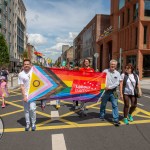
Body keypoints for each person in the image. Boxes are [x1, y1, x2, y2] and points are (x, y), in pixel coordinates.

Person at [99, 59, 121, 126]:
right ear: (109, 64)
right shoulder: (105, 71)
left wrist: (110, 87)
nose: (113, 65)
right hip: (105, 91)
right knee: (103, 104)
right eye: (112, 64)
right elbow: (101, 79)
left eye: (114, 64)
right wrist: (104, 87)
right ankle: (102, 115)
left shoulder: (117, 73)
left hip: (114, 91)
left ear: (116, 66)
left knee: (115, 105)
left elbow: (117, 83)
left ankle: (116, 119)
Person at [18, 59, 36, 131]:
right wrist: (24, 96)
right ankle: (28, 124)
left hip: (33, 94)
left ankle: (33, 123)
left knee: (32, 109)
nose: (26, 65)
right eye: (25, 64)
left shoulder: (35, 72)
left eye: (28, 64)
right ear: (23, 65)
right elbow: (22, 86)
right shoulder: (21, 74)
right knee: (26, 110)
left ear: (30, 65)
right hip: (26, 94)